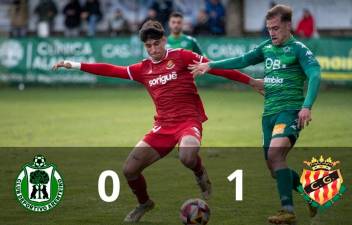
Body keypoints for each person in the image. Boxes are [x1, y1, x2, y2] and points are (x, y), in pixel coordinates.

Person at [53, 20, 263, 223]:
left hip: (188, 121)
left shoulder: (182, 57)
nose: (152, 49)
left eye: (156, 44)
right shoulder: (142, 69)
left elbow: (216, 67)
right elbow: (110, 69)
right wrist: (73, 64)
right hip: (163, 127)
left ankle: (200, 173)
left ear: (164, 41)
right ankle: (144, 203)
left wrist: (251, 81)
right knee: (129, 170)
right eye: (148, 46)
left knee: (187, 156)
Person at [189, 4, 321, 224]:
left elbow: (315, 74)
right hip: (268, 115)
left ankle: (287, 211)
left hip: (289, 112)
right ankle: (310, 195)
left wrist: (306, 106)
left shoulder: (298, 49)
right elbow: (242, 60)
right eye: (269, 28)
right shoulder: (267, 47)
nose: (272, 32)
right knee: (274, 168)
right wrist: (211, 65)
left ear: (288, 25)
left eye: (276, 28)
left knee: (275, 156)